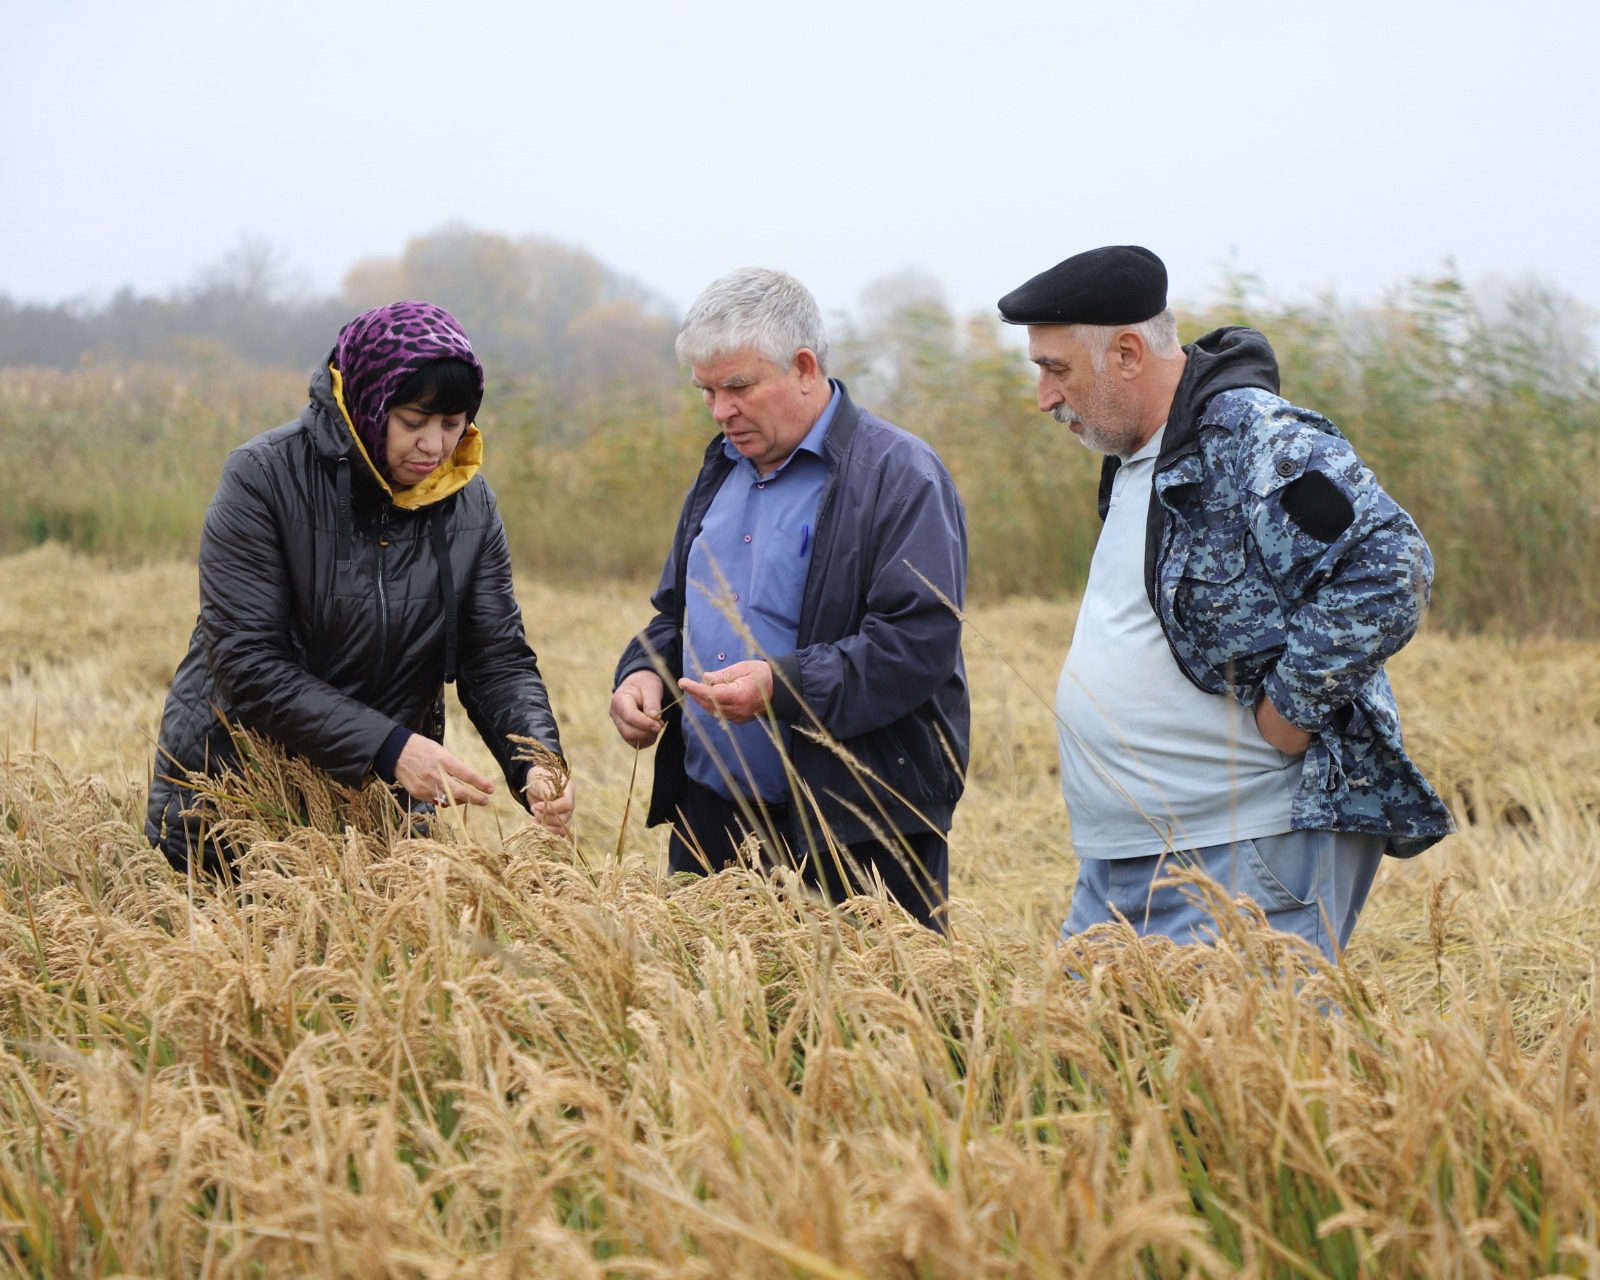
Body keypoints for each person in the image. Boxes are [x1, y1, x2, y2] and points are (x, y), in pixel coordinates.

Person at [997, 245, 1453, 958]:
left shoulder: (1251, 436)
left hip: (1241, 851)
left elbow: (1391, 566)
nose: (1044, 397)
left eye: (1056, 370)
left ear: (1125, 354)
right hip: (1126, 861)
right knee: (1079, 1064)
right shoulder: (1136, 459)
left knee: (1246, 1070)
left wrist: (1291, 711)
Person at [147, 301, 572, 869]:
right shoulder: (263, 477)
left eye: (452, 425)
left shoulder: (469, 503)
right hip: (235, 795)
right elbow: (247, 661)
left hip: (384, 805)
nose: (434, 447)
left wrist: (536, 761)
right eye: (414, 422)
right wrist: (388, 747)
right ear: (370, 405)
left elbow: (495, 657)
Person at [609, 267, 969, 930]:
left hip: (856, 833)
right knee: (706, 1026)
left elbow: (917, 643)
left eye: (738, 387)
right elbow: (676, 614)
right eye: (708, 391)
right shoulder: (719, 469)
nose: (720, 411)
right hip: (712, 823)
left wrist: (781, 688)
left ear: (805, 367)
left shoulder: (900, 476)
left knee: (864, 1026)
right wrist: (642, 672)